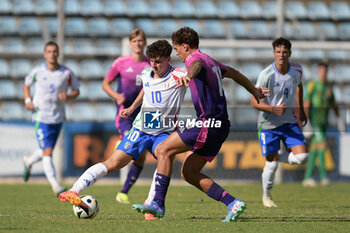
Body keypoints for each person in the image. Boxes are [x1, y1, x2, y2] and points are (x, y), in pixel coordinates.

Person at [132, 27, 268, 222]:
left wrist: (190, 75)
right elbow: (235, 73)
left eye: (177, 48)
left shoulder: (194, 60)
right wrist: (254, 91)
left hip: (209, 122)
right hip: (222, 125)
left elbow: (194, 65)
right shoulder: (211, 61)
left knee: (163, 150)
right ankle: (232, 203)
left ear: (185, 46)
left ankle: (157, 203)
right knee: (189, 172)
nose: (176, 52)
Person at [58, 40, 188, 219]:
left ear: (168, 59)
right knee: (112, 163)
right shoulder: (146, 73)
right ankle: (74, 190)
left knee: (165, 157)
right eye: (151, 61)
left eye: (158, 61)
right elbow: (146, 90)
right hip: (141, 129)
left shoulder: (180, 74)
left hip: (164, 132)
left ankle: (151, 203)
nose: (154, 65)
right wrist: (132, 108)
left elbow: (198, 73)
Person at [250, 37, 309, 208]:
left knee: (302, 157)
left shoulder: (297, 70)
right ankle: (266, 196)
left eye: (284, 52)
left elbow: (299, 86)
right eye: (278, 52)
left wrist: (301, 110)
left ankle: (276, 158)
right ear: (274, 53)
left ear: (290, 53)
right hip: (268, 125)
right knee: (272, 165)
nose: (281, 55)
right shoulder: (266, 74)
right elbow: (253, 102)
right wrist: (272, 109)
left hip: (289, 121)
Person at [22, 41, 80, 196]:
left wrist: (67, 96)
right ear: (44, 54)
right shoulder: (37, 71)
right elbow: (26, 85)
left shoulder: (66, 73)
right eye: (49, 51)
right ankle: (55, 186)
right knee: (47, 152)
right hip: (41, 116)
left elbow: (76, 90)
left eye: (54, 51)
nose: (52, 54)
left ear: (58, 53)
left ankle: (28, 162)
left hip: (58, 117)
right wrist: (28, 101)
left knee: (46, 150)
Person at [101, 29, 151, 204]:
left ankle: (123, 192)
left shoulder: (150, 64)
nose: (138, 43)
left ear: (145, 43)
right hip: (125, 114)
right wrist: (116, 96)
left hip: (144, 112)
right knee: (133, 144)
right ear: (130, 43)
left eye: (141, 40)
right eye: (135, 41)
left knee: (142, 155)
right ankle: (123, 142)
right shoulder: (121, 63)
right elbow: (105, 83)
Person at [302, 63, 345, 187]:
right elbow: (307, 103)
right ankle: (323, 177)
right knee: (322, 145)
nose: (323, 73)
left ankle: (307, 177)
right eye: (321, 71)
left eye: (325, 71)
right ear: (318, 71)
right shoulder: (313, 85)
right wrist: (307, 122)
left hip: (324, 122)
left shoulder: (328, 87)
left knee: (315, 149)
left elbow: (333, 104)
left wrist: (339, 118)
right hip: (315, 121)